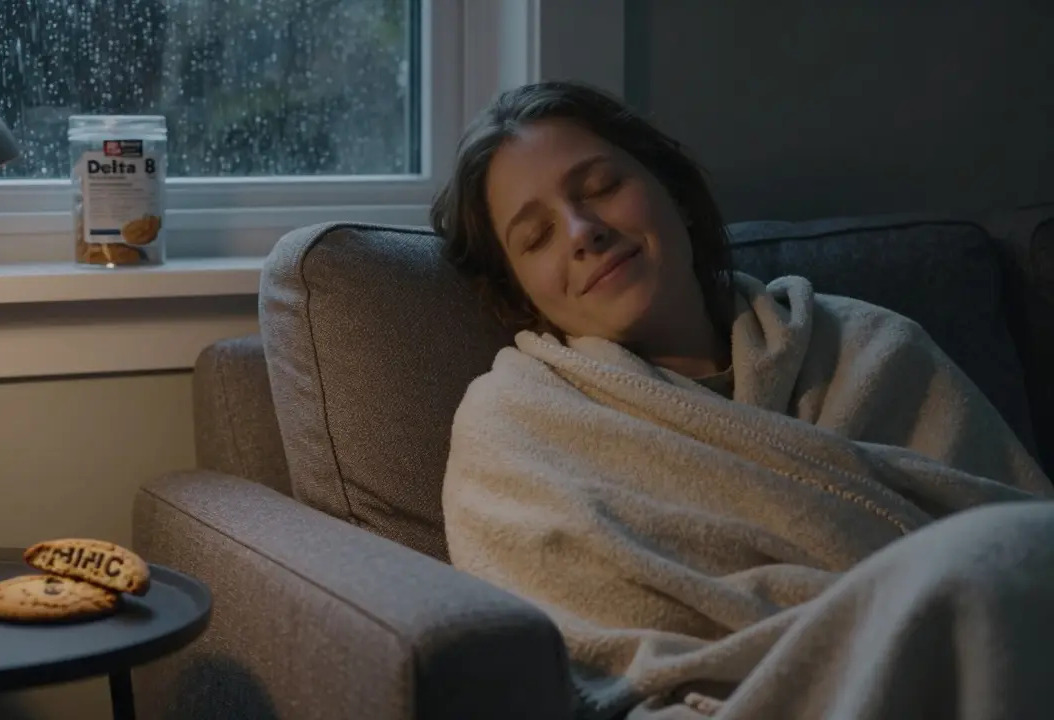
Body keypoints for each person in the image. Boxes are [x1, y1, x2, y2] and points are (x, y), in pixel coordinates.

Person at [430, 80, 1054, 720]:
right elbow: (566, 671)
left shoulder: (870, 347)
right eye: (535, 237)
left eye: (600, 188)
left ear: (674, 192)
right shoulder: (515, 430)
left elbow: (1025, 539)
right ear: (520, 295)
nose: (582, 230)